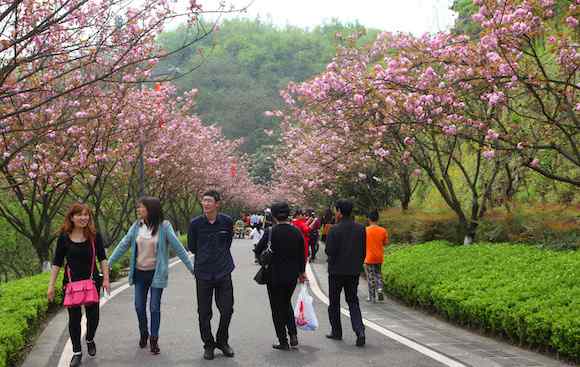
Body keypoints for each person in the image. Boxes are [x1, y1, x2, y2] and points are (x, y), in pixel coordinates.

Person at [108, 196, 194, 355]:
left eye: (141, 207)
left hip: (156, 274)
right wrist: (108, 264)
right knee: (139, 307)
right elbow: (123, 245)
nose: (138, 210)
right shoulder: (136, 227)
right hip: (140, 274)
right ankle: (144, 333)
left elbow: (179, 248)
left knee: (154, 307)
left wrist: (191, 268)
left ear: (150, 209)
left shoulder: (164, 227)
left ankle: (154, 339)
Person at [48, 203, 110, 367]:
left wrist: (106, 279)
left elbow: (102, 258)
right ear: (72, 217)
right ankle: (77, 352)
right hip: (71, 283)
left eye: (86, 214)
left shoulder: (94, 236)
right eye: (79, 215)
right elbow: (57, 262)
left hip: (92, 281)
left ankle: (89, 338)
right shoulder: (64, 237)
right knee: (74, 319)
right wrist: (51, 285)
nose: (84, 218)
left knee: (93, 317)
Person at [188, 190, 235, 360]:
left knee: (227, 309)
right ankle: (208, 344)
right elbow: (192, 247)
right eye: (204, 201)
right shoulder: (195, 224)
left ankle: (222, 341)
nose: (206, 204)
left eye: (209, 201)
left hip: (223, 271)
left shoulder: (226, 221)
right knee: (204, 312)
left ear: (217, 204)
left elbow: (228, 241)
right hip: (203, 273)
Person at [255, 202, 307, 350]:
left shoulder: (271, 231)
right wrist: (302, 272)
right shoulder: (296, 232)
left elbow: (258, 250)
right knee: (286, 303)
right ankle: (293, 335)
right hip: (291, 277)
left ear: (274, 215)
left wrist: (263, 262)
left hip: (274, 276)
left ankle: (283, 340)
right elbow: (302, 255)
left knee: (277, 308)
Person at [325, 199, 366, 347]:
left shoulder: (334, 230)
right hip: (353, 271)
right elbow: (363, 251)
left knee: (334, 302)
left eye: (336, 211)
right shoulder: (361, 229)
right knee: (353, 301)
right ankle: (360, 330)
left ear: (340, 212)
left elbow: (329, 251)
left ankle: (336, 331)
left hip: (336, 271)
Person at [365, 210, 389, 303]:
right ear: (378, 219)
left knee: (370, 276)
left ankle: (372, 297)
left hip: (369, 257)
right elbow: (385, 243)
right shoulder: (383, 230)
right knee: (378, 274)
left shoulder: (365, 230)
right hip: (379, 257)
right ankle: (380, 289)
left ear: (369, 219)